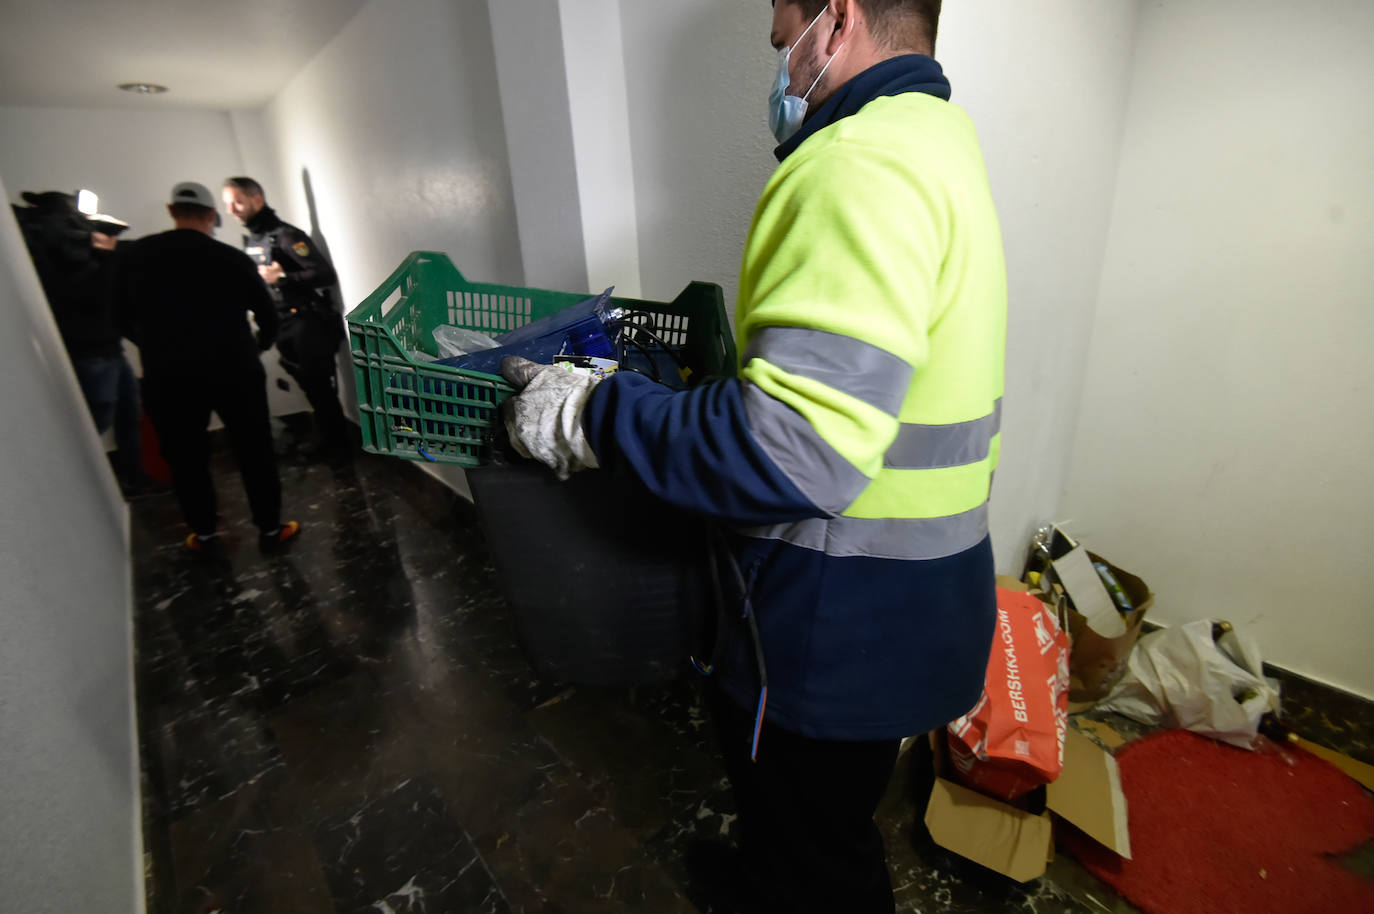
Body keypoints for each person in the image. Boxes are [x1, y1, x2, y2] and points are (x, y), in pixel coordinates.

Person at [500, 1, 1005, 910]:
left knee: (821, 860)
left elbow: (795, 455)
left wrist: (597, 409)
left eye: (782, 42)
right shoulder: (937, 139)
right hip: (914, 601)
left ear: (837, 19)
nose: (779, 68)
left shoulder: (852, 166)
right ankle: (756, 879)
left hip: (829, 625)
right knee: (811, 828)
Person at [112, 182, 300, 553]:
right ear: (211, 215)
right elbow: (268, 316)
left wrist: (153, 345)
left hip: (169, 375)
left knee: (185, 457)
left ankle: (205, 535)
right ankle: (269, 529)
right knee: (254, 451)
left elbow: (117, 317)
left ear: (171, 211)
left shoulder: (135, 256)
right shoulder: (230, 258)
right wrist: (254, 348)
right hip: (234, 369)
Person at [14, 190, 149, 496]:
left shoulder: (59, 243)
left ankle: (134, 477)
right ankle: (86, 492)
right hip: (91, 351)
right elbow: (92, 293)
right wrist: (105, 253)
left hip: (107, 347)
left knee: (128, 413)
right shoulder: (60, 250)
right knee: (96, 422)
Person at [220, 176, 349, 458]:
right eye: (227, 204)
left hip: (305, 321)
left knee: (319, 387)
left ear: (257, 199)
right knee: (308, 384)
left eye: (238, 202)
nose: (232, 210)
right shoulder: (255, 238)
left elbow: (324, 274)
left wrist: (283, 277)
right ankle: (331, 439)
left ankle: (339, 446)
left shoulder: (286, 235)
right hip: (281, 322)